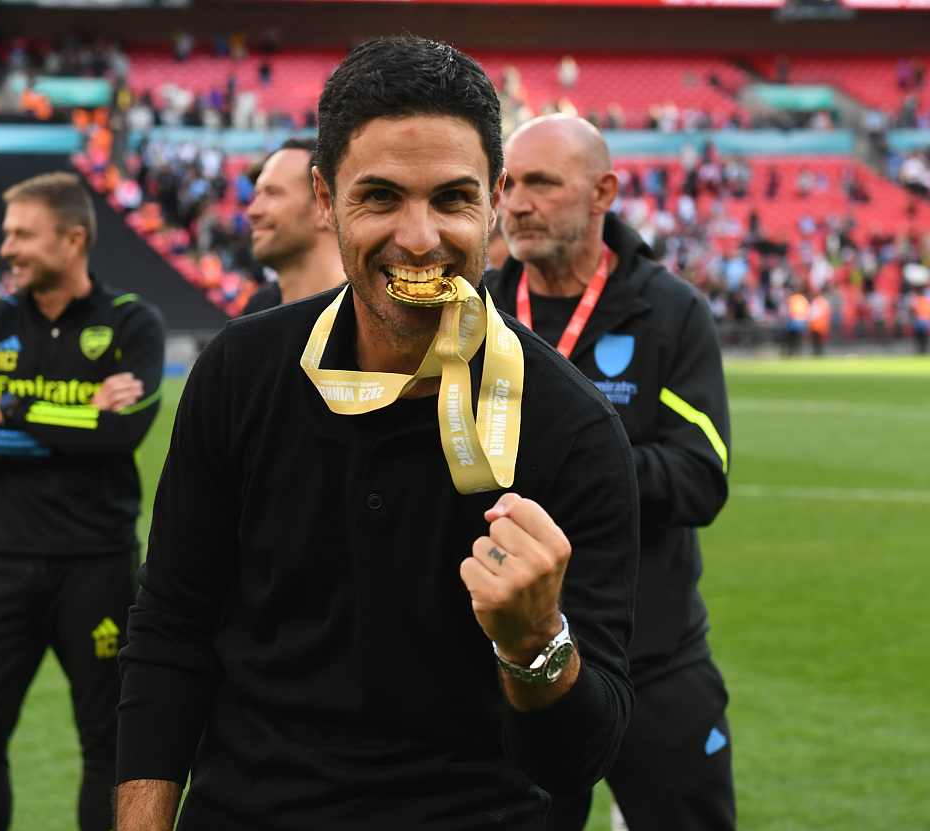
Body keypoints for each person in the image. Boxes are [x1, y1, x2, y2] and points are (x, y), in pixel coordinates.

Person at [115, 36, 639, 831]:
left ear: (495, 200)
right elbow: (171, 631)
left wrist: (536, 644)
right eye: (381, 197)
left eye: (454, 199)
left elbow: (574, 761)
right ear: (326, 200)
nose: (421, 237)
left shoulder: (574, 429)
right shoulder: (241, 371)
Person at [485, 114, 734, 831]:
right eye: (508, 184)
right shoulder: (481, 312)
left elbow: (701, 474)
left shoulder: (669, 310)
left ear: (603, 193)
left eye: (542, 183)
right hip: (520, 660)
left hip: (653, 658)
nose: (517, 203)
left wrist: (579, 460)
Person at [0, 171, 166, 831]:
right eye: (7, 233)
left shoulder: (132, 322)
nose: (6, 246)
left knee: (108, 746)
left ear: (73, 238)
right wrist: (76, 420)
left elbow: (122, 432)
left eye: (21, 233)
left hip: (96, 566)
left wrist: (10, 410)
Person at [243, 136, 346, 313]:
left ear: (325, 205)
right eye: (257, 194)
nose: (253, 211)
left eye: (273, 193)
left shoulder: (362, 317)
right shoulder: (259, 309)